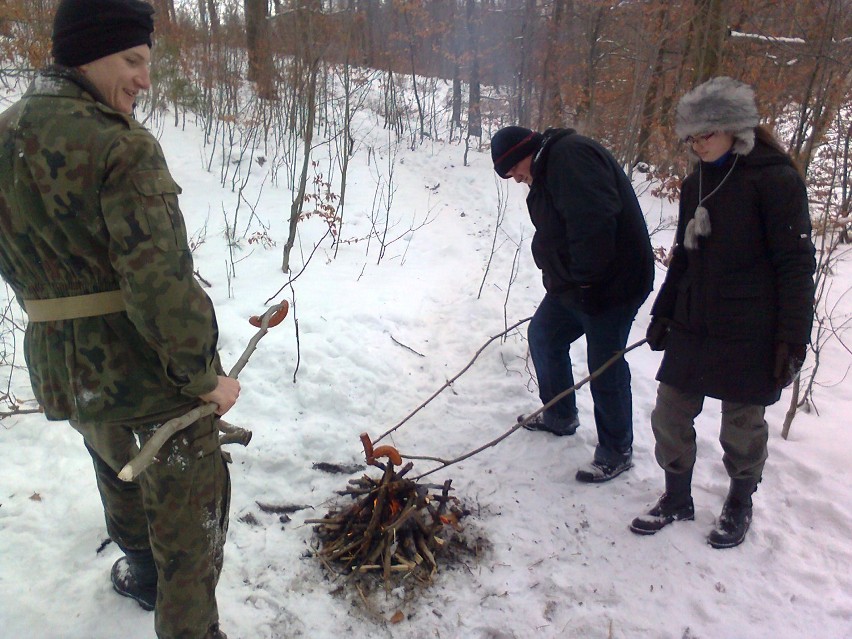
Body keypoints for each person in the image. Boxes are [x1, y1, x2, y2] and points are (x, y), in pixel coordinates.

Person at [0, 0, 239, 636]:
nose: (144, 79)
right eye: (132, 60)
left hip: (62, 371)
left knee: (115, 459)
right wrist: (203, 378)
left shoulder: (2, 136)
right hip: (144, 371)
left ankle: (139, 571)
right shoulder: (120, 146)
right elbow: (160, 285)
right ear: (89, 51)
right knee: (190, 511)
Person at [629, 77, 816, 548]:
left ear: (735, 128)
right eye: (691, 137)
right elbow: (685, 256)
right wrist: (664, 313)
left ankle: (739, 500)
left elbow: (795, 264)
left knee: (743, 425)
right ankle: (676, 497)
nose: (698, 144)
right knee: (669, 413)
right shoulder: (697, 182)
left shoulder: (776, 180)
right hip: (696, 321)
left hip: (753, 327)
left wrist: (793, 340)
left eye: (706, 134)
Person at [491, 125, 654, 483]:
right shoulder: (545, 171)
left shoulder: (571, 157)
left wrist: (586, 282)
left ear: (524, 153)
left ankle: (616, 450)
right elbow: (556, 230)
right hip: (578, 282)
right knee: (544, 335)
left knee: (604, 362)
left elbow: (594, 223)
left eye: (514, 170)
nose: (516, 179)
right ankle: (560, 414)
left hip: (613, 282)